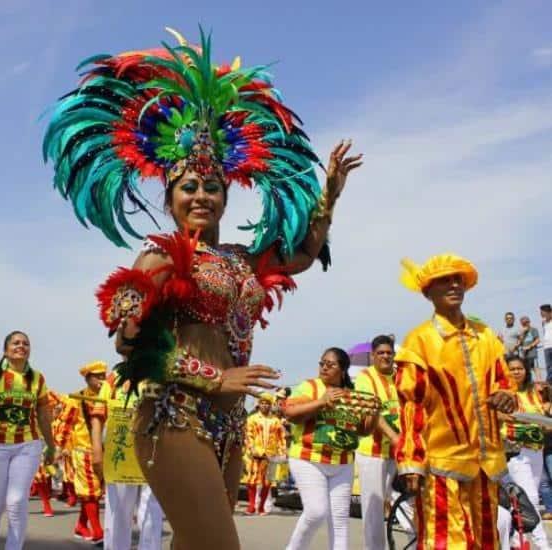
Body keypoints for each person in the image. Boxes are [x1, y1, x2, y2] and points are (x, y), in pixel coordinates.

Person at [42, 27, 360, 549]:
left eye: (213, 187)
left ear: (226, 196)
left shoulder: (240, 258)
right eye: (189, 187)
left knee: (193, 543)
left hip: (230, 426)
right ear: (170, 199)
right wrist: (216, 379)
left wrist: (329, 193)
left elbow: (302, 254)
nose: (202, 196)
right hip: (174, 415)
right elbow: (129, 345)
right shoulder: (160, 254)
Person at [396, 255, 516, 549]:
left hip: (486, 464)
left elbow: (505, 381)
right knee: (446, 542)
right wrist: (411, 461)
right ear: (428, 292)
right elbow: (411, 404)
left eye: (458, 280)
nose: (454, 285)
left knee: (486, 540)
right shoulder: (419, 341)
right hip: (441, 464)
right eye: (444, 281)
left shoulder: (485, 336)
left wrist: (508, 396)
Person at [0, 330, 56, 550]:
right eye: (16, 343)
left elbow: (44, 415)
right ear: (5, 350)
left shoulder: (37, 378)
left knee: (16, 501)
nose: (21, 346)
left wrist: (52, 446)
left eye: (25, 343)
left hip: (27, 445)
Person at [282, 348, 379, 550]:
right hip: (308, 458)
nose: (324, 367)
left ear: (343, 370)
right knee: (316, 512)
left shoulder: (351, 396)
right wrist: (321, 402)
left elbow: (363, 431)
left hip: (342, 463)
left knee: (340, 520)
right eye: (322, 363)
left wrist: (375, 414)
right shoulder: (310, 387)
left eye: (330, 364)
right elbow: (290, 413)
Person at [91, 369, 164, 549]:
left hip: (153, 453)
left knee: (151, 517)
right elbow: (98, 417)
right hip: (120, 454)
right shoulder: (114, 377)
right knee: (118, 516)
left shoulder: (162, 374)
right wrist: (96, 450)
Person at [354, 334, 401, 549]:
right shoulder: (365, 377)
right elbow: (372, 410)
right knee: (374, 511)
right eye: (380, 353)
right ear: (372, 355)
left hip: (400, 451)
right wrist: (394, 437)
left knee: (409, 501)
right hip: (372, 453)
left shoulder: (400, 376)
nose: (385, 356)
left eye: (389, 353)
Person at [499, 356, 551, 549]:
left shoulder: (533, 392)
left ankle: (515, 542)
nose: (516, 372)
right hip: (517, 453)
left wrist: (532, 423)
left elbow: (543, 421)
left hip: (536, 450)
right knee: (530, 501)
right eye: (512, 369)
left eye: (519, 368)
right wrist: (529, 423)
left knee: (524, 502)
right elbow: (502, 418)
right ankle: (543, 544)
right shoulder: (502, 393)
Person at [52, 361, 107, 544]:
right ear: (87, 378)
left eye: (103, 375)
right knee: (91, 491)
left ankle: (81, 526)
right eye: (97, 376)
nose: (101, 379)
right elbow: (65, 423)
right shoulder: (76, 399)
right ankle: (98, 532)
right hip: (83, 450)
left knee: (96, 492)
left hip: (104, 449)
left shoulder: (107, 394)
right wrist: (58, 448)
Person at [244, 392, 286, 515]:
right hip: (256, 454)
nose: (264, 405)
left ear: (270, 405)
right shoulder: (252, 419)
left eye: (267, 403)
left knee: (267, 482)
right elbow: (248, 435)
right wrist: (252, 449)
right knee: (252, 480)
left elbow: (281, 437)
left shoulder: (276, 421)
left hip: (271, 455)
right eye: (262, 403)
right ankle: (251, 506)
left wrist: (282, 451)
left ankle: (261, 507)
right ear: (259, 404)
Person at [541, 305, 552, 384]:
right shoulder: (543, 322)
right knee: (548, 365)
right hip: (547, 346)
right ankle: (549, 380)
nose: (541, 314)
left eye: (542, 312)